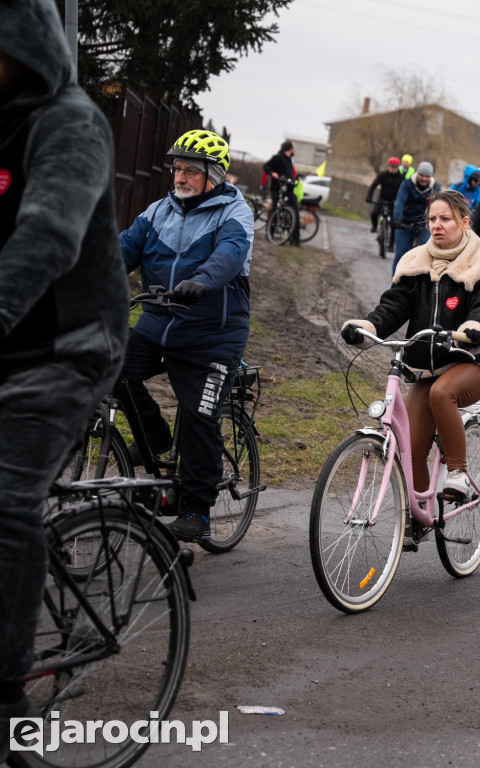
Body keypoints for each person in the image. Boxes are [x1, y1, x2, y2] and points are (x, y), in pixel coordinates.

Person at [0, 0, 130, 749]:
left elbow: (47, 236)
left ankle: (7, 691)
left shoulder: (71, 124)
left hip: (65, 346)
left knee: (6, 497)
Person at [120, 129, 254, 542]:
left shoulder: (234, 211)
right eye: (177, 168)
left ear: (213, 175)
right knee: (109, 363)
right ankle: (157, 440)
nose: (179, 177)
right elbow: (122, 250)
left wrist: (202, 281)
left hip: (213, 335)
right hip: (159, 322)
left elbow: (229, 255)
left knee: (199, 415)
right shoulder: (158, 211)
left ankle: (197, 510)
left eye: (190, 171)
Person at [340, 190, 480, 502]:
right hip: (427, 369)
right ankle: (415, 520)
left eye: (445, 219)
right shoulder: (415, 262)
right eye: (432, 219)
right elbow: (392, 307)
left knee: (443, 395)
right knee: (410, 447)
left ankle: (457, 474)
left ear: (464, 222)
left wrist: (474, 329)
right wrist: (367, 328)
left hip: (470, 363)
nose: (436, 225)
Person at [392, 161, 442, 274]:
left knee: (429, 255)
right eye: (422, 175)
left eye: (427, 176)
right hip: (405, 223)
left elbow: (439, 208)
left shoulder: (436, 188)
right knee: (401, 255)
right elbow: (400, 202)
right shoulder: (407, 184)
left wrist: (436, 223)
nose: (424, 179)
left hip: (425, 225)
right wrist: (396, 219)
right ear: (417, 174)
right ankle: (395, 284)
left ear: (431, 177)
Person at [262, 139, 299, 246]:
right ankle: (270, 233)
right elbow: (266, 166)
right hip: (277, 189)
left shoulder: (289, 159)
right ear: (290, 148)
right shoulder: (278, 157)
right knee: (275, 210)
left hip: (288, 190)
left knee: (294, 211)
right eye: (294, 147)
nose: (294, 149)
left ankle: (295, 239)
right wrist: (272, 173)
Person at [365, 156, 404, 246]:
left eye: (395, 167)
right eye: (391, 166)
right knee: (374, 213)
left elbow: (405, 191)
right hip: (382, 200)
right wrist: (369, 196)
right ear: (388, 166)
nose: (393, 168)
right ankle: (374, 226)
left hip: (394, 202)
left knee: (394, 222)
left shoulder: (401, 178)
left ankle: (391, 244)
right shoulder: (382, 175)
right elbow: (373, 186)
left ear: (398, 167)